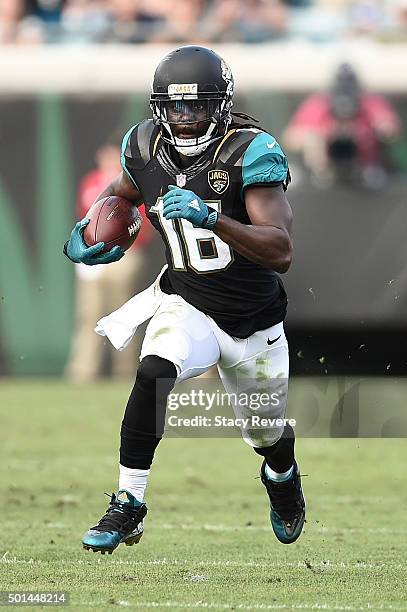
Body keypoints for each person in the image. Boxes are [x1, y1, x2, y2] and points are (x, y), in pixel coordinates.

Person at [63, 45, 305, 553]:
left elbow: (280, 251)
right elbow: (122, 195)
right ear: (158, 107)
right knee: (153, 371)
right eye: (174, 106)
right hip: (187, 299)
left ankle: (282, 478)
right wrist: (89, 230)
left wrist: (211, 216)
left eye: (197, 105)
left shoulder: (249, 150)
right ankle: (129, 503)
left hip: (253, 320)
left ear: (220, 103)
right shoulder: (144, 145)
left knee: (267, 437)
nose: (185, 117)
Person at [65, 136, 153, 382]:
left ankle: (124, 372)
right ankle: (83, 371)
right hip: (94, 256)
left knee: (124, 313)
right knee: (88, 314)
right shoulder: (92, 181)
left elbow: (141, 224)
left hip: (124, 254)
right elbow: (84, 219)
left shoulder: (133, 184)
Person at [283, 63, 401, 188]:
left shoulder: (370, 102)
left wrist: (372, 130)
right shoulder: (319, 104)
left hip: (365, 164)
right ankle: (322, 173)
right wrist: (324, 134)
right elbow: (291, 138)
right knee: (312, 139)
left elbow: (390, 128)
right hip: (327, 165)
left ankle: (371, 170)